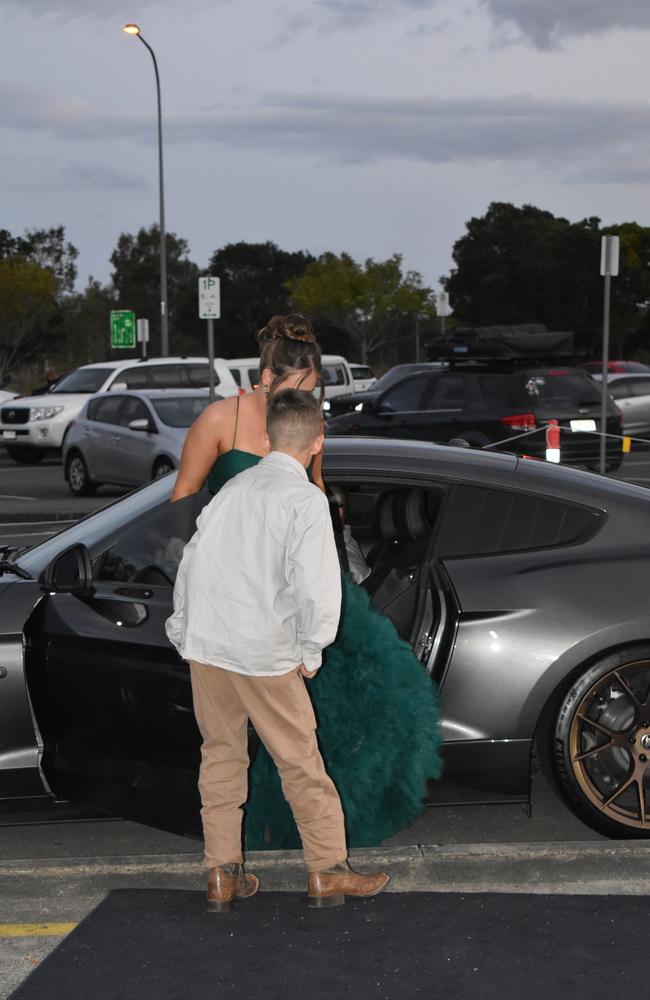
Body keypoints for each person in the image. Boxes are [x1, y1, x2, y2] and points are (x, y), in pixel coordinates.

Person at [172, 313, 442, 853]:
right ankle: (325, 866)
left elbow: (316, 503)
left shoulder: (301, 431)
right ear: (265, 381)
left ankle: (228, 870)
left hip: (270, 600)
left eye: (314, 392)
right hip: (245, 600)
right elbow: (184, 511)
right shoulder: (219, 421)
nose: (309, 402)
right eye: (299, 390)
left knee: (297, 735)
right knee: (289, 751)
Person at [166, 389, 390, 911]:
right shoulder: (304, 499)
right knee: (300, 762)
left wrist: (183, 631)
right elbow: (316, 586)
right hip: (262, 650)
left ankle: (222, 873)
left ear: (265, 439)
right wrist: (312, 650)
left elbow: (192, 562)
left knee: (220, 758)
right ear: (317, 443)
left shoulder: (233, 488)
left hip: (207, 642)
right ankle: (327, 870)